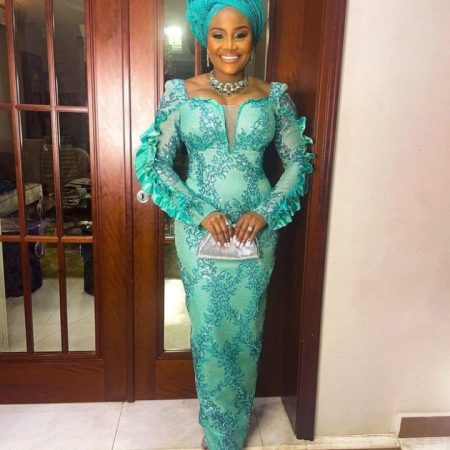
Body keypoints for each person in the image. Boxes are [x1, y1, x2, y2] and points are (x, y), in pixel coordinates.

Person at [134, 1, 316, 448]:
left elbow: (298, 160)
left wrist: (266, 211)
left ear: (254, 38)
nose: (229, 45)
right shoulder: (180, 93)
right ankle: (218, 436)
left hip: (257, 233)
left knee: (246, 329)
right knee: (210, 330)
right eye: (218, 34)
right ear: (205, 38)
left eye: (240, 33)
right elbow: (154, 163)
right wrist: (199, 210)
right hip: (200, 231)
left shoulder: (274, 96)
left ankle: (233, 429)